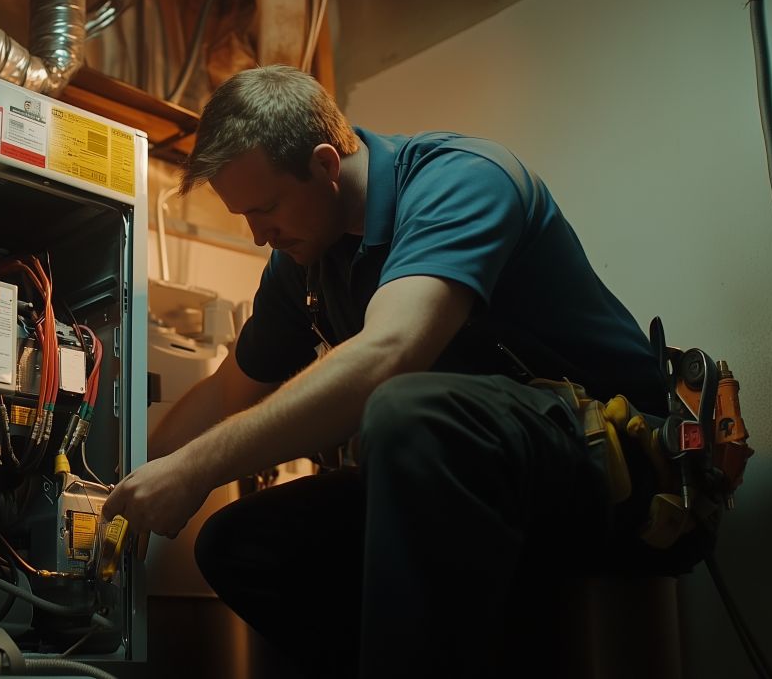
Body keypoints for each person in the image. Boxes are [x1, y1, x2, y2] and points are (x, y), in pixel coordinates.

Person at [101, 64, 675, 677]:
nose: (258, 236)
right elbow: (227, 391)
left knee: (406, 410)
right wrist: (124, 476)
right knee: (239, 546)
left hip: (609, 464)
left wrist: (196, 470)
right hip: (467, 477)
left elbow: (389, 352)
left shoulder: (462, 179)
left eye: (265, 209)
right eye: (243, 215)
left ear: (325, 165)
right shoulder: (304, 263)